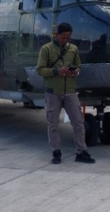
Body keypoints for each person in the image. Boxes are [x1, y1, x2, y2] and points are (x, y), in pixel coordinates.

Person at [36, 22, 95, 164]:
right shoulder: (46, 49)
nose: (66, 40)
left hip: (70, 91)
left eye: (68, 37)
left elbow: (79, 66)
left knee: (78, 122)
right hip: (53, 92)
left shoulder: (73, 49)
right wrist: (56, 71)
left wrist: (76, 71)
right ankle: (56, 152)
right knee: (53, 124)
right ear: (56, 35)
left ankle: (82, 152)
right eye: (63, 37)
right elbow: (40, 70)